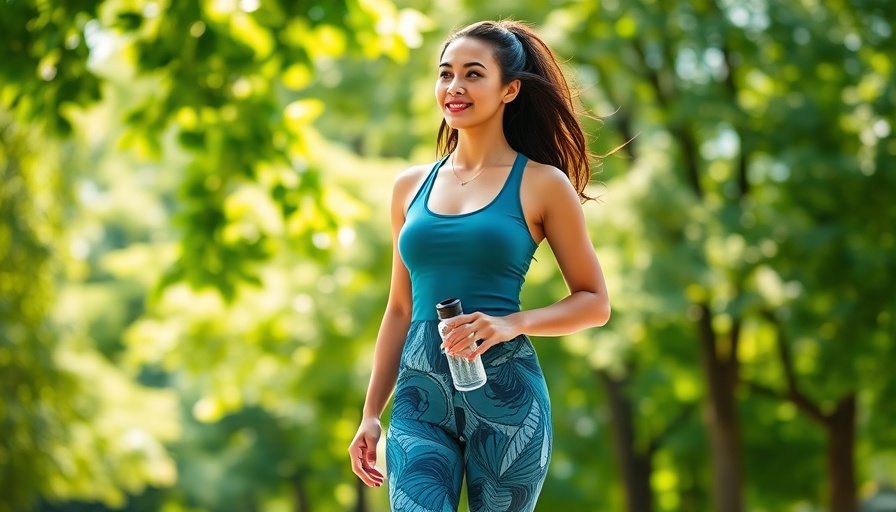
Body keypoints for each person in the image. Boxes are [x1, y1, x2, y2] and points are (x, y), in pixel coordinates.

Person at [348, 19, 611, 512]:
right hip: (419, 396)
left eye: (472, 74)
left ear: (509, 89)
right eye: (445, 74)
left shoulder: (542, 183)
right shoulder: (410, 187)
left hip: (509, 399)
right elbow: (400, 309)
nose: (454, 87)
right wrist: (370, 413)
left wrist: (511, 323)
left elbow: (595, 303)